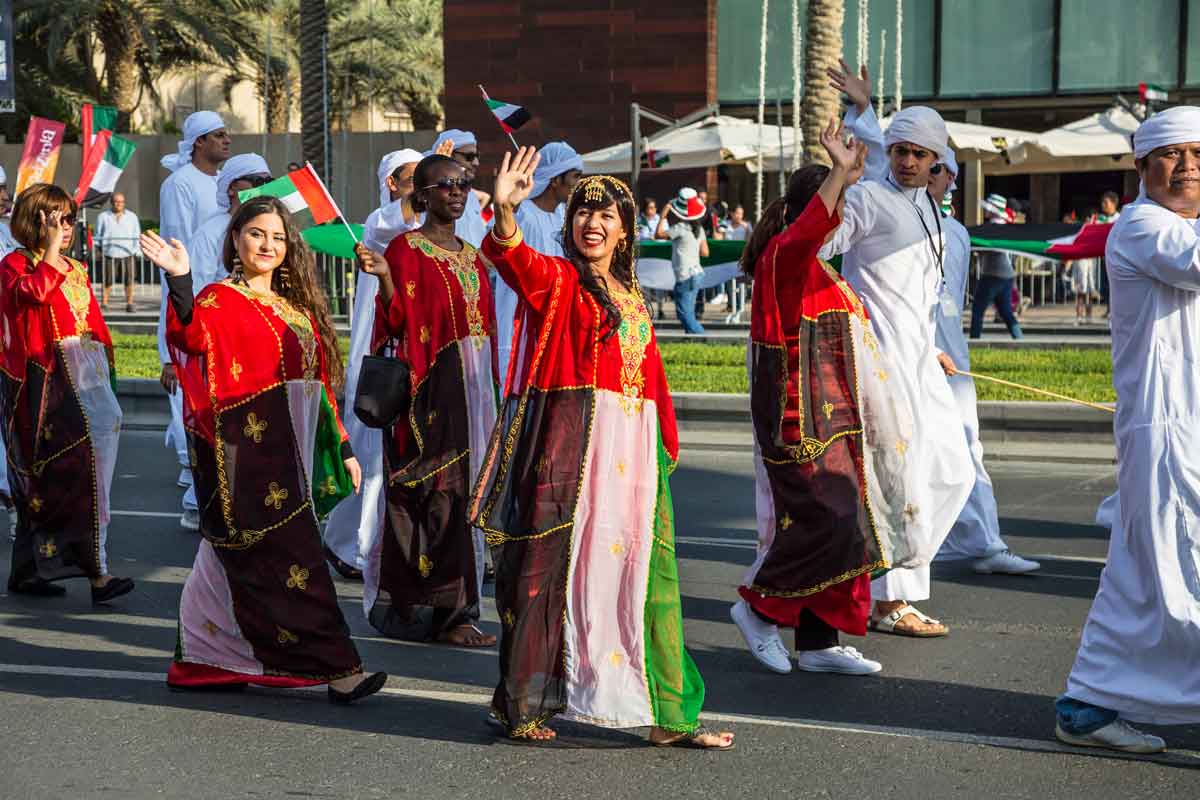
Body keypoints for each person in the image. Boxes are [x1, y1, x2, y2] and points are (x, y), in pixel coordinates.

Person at [470, 150, 733, 749]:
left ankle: (665, 715)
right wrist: (505, 211)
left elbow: (653, 376)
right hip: (574, 443)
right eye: (584, 213)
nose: (593, 223)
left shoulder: (631, 294)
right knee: (549, 572)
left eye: (607, 215)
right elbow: (513, 259)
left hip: (633, 449)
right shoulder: (560, 280)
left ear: (624, 230)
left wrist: (664, 443)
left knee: (640, 575)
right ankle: (524, 705)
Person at [140, 197, 386, 703]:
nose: (268, 245)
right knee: (293, 561)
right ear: (236, 239)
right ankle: (339, 668)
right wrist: (180, 279)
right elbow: (190, 335)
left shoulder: (297, 311)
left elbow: (319, 390)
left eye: (277, 237)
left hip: (292, 458)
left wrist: (342, 448)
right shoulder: (218, 300)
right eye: (256, 233)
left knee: (224, 557)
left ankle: (204, 658)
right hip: (244, 456)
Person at [733, 119, 908, 677]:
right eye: (839, 205)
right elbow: (810, 229)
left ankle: (818, 642)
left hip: (837, 425)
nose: (842, 217)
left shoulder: (820, 272)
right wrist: (837, 172)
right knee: (822, 527)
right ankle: (758, 609)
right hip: (798, 424)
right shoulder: (784, 260)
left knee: (846, 528)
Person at [1054, 107, 1200, 754]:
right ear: (1142, 167)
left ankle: (1087, 705)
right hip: (1168, 432)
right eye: (1172, 154)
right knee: (1175, 567)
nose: (1188, 166)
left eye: (1199, 154)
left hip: (1186, 429)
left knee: (1142, 574)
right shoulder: (1144, 226)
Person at [818, 88, 974, 637]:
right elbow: (819, 245)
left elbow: (916, 293)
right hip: (879, 364)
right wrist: (839, 179)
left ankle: (882, 581)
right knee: (900, 481)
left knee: (953, 472)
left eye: (918, 153)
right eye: (900, 150)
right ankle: (889, 602)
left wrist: (930, 348)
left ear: (937, 160)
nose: (907, 161)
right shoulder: (868, 199)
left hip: (921, 363)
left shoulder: (928, 207)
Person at [353, 154, 499, 648]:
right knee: (433, 498)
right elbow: (394, 323)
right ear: (421, 195)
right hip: (429, 395)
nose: (456, 192)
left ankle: (458, 610)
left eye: (463, 184)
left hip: (474, 397)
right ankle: (432, 610)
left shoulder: (473, 256)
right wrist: (385, 277)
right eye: (445, 185)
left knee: (466, 499)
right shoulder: (404, 249)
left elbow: (487, 332)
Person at [1, 184, 133, 604]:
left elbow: (94, 325)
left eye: (70, 219)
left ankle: (29, 570)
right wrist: (50, 250)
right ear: (36, 221)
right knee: (66, 474)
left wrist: (108, 374)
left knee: (71, 475)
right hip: (45, 385)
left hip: (87, 380)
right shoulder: (15, 265)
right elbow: (34, 294)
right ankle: (98, 573)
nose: (67, 227)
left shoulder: (76, 268)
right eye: (58, 219)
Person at [322, 148, 423, 582]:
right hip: (377, 362)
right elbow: (393, 220)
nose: (426, 187)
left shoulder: (428, 232)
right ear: (392, 184)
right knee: (370, 458)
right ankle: (351, 548)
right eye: (416, 178)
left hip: (413, 359)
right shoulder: (379, 226)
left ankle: (373, 544)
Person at [157, 111, 231, 531]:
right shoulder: (179, 184)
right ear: (198, 141)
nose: (226, 140)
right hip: (191, 294)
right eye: (218, 135)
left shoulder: (219, 184)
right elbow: (177, 251)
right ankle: (195, 493)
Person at [504, 141, 584, 382]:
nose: (579, 183)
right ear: (555, 179)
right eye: (575, 176)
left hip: (556, 318)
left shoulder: (562, 216)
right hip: (521, 319)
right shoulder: (523, 214)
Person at [188, 153, 272, 292]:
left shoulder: (274, 229)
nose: (263, 187)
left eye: (268, 181)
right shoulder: (209, 234)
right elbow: (197, 290)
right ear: (232, 188)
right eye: (257, 181)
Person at [970, 195, 1023, 340]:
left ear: (992, 211)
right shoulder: (1008, 228)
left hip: (991, 274)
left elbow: (985, 250)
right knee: (1006, 312)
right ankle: (1019, 339)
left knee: (978, 310)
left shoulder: (989, 229)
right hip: (1007, 275)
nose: (985, 211)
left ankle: (974, 341)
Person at [656, 188, 709, 335]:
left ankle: (701, 338)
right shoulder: (699, 229)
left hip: (685, 275)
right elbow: (705, 252)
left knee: (684, 313)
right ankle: (693, 338)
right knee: (688, 312)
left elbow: (658, 234)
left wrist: (662, 217)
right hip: (697, 273)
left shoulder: (680, 228)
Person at [427, 130, 489, 247]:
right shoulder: (430, 194)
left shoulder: (470, 195)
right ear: (449, 154)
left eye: (477, 156)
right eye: (469, 157)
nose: (476, 162)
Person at [94, 193, 142, 312]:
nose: (119, 204)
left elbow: (137, 234)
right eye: (116, 201)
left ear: (124, 203)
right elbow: (97, 235)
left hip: (128, 253)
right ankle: (104, 303)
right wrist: (98, 250)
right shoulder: (103, 216)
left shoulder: (132, 217)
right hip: (109, 253)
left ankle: (129, 304)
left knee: (129, 280)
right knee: (107, 280)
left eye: (121, 201)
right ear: (111, 203)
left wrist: (136, 251)